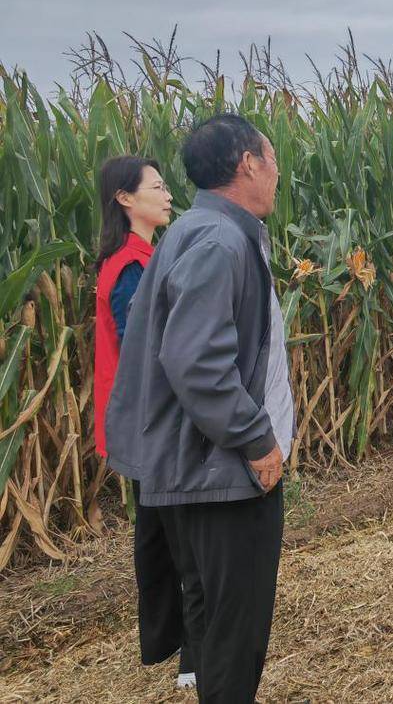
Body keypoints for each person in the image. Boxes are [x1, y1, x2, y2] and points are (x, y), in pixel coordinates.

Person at [106, 114, 293, 701]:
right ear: (248, 164)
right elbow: (195, 361)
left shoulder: (200, 230)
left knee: (213, 624)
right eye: (273, 159)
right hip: (219, 472)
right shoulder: (217, 240)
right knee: (234, 632)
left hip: (200, 469)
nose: (278, 173)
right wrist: (256, 437)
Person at [93, 155, 195, 690]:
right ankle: (192, 653)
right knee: (180, 538)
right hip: (150, 423)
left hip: (139, 422)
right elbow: (147, 348)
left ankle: (170, 642)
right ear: (125, 199)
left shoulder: (138, 258)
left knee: (158, 532)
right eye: (157, 186)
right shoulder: (133, 266)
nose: (168, 194)